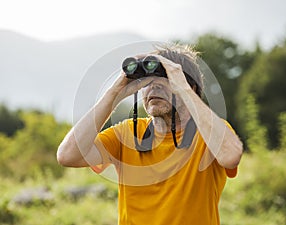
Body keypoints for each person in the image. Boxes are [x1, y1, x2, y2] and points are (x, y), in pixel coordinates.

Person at [57, 43, 243, 225]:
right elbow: (67, 155)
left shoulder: (208, 133)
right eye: (147, 83)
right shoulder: (127, 134)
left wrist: (183, 87)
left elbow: (231, 156)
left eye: (165, 81)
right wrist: (115, 93)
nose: (154, 88)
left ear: (189, 88)